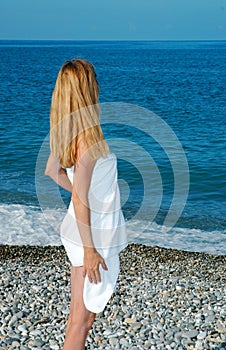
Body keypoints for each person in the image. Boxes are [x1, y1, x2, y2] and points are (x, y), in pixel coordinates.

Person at [45, 59, 127, 350]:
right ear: (86, 90)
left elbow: (52, 171)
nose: (98, 85)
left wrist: (86, 197)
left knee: (79, 320)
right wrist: (91, 251)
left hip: (82, 232)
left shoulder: (65, 132)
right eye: (94, 80)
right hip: (90, 238)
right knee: (81, 323)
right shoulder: (88, 141)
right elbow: (79, 198)